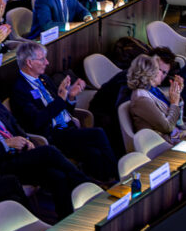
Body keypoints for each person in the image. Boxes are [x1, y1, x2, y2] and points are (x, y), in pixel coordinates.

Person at [0, 79, 88, 217]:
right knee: (49, 151)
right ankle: (86, 184)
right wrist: (6, 144)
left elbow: (14, 124)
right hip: (3, 166)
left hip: (22, 155)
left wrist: (27, 140)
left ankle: (67, 218)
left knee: (58, 176)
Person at [10, 42, 116, 181]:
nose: (47, 63)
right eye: (42, 59)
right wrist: (61, 99)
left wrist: (70, 96)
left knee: (93, 153)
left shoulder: (44, 79)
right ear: (29, 62)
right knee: (98, 133)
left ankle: (102, 185)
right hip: (53, 134)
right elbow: (37, 120)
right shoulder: (20, 90)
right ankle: (117, 177)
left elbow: (62, 108)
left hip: (68, 128)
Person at [127, 54, 186, 143]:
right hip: (164, 142)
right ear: (150, 73)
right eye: (158, 69)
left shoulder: (153, 90)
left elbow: (177, 118)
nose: (162, 73)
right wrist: (174, 102)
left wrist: (177, 95)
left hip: (174, 134)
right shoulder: (141, 99)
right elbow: (167, 127)